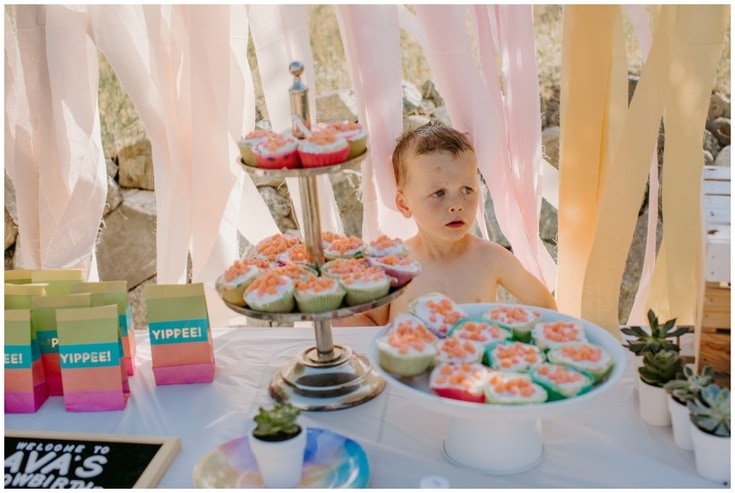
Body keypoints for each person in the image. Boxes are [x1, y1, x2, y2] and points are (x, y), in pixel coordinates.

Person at [335, 122, 557, 327]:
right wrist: (333, 318)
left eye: (466, 190)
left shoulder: (491, 258)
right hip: (410, 367)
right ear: (404, 204)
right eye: (439, 193)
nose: (456, 205)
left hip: (473, 367)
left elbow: (545, 307)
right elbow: (373, 324)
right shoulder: (395, 266)